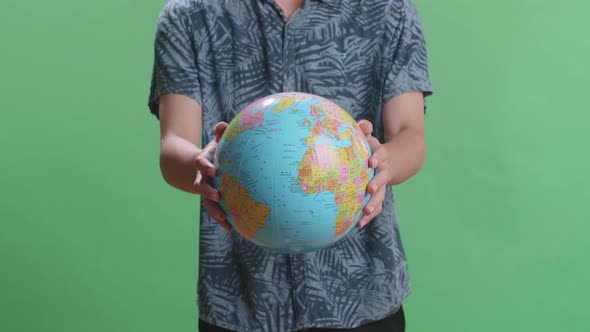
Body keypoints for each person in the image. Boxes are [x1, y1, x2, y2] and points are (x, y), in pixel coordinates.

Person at [147, 0, 433, 331]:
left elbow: (410, 136)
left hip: (363, 292)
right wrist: (202, 168)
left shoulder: (389, 9)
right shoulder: (187, 14)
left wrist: (383, 163)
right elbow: (173, 145)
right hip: (239, 298)